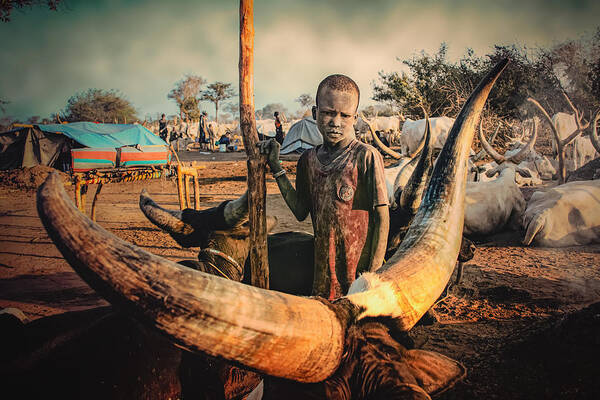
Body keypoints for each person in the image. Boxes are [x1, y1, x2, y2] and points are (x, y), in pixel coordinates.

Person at [258, 74, 389, 300]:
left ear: (355, 118)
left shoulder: (365, 157)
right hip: (321, 278)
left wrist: (373, 275)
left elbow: (382, 218)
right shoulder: (308, 161)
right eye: (328, 112)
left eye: (344, 115)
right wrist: (276, 166)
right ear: (315, 113)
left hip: (358, 279)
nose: (336, 122)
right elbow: (300, 211)